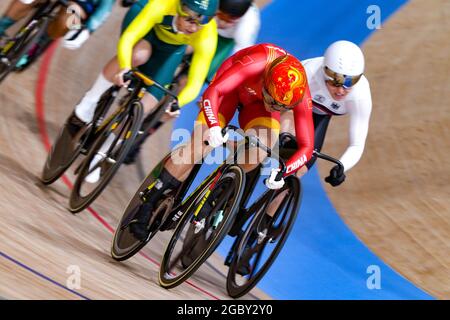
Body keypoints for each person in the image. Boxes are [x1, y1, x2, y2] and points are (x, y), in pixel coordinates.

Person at [128, 43, 315, 241]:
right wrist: (214, 125)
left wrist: (282, 172)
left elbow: (307, 147)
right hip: (232, 88)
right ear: (267, 79)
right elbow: (213, 92)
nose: (276, 106)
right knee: (200, 143)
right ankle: (150, 200)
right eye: (275, 101)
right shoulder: (258, 62)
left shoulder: (298, 92)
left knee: (261, 150)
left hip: (257, 105)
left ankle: (221, 189)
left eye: (282, 106)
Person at [65, 0, 219, 183]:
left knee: (149, 103)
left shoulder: (207, 35)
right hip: (146, 31)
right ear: (180, 8)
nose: (194, 28)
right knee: (137, 56)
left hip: (170, 50)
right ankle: (91, 100)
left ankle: (100, 154)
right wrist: (124, 66)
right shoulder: (163, 5)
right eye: (190, 20)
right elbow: (129, 37)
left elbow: (195, 82)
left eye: (202, 22)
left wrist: (178, 101)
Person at [123, 0, 261, 164]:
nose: (223, 22)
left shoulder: (249, 22)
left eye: (229, 20)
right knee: (173, 52)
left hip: (220, 46)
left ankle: (145, 134)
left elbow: (237, 61)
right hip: (196, 30)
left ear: (240, 18)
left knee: (186, 85)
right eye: (220, 15)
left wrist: (217, 87)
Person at [279, 40, 372, 186]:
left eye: (349, 83)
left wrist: (341, 166)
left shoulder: (360, 95)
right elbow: (275, 104)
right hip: (291, 107)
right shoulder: (307, 73)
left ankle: (268, 207)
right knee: (280, 133)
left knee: (295, 175)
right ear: (325, 72)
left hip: (319, 117)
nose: (341, 91)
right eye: (335, 82)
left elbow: (357, 144)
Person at [0, 0, 116, 68]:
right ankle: (2, 26)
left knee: (68, 20)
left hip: (80, 3)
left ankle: (38, 43)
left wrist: (88, 29)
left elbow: (106, 6)